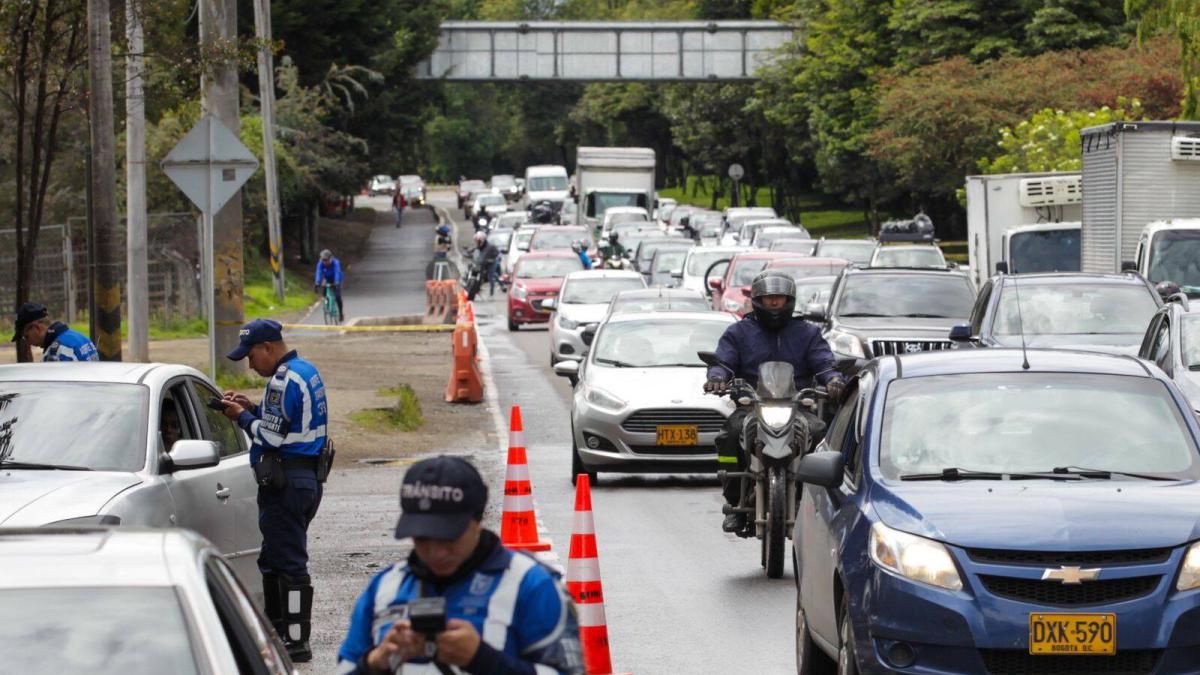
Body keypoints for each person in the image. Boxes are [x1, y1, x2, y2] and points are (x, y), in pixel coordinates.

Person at [336, 455, 583, 675]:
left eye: (448, 537)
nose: (436, 552)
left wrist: (482, 660)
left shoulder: (530, 584)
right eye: (422, 538)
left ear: (478, 519)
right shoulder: (385, 587)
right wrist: (375, 663)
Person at [218, 319, 329, 663]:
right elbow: (288, 421)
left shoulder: (282, 381)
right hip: (305, 478)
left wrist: (240, 418)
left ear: (268, 348)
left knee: (290, 563)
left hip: (287, 482)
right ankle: (279, 631)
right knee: (274, 559)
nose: (250, 366)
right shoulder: (304, 370)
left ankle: (296, 640)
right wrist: (253, 407)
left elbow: (271, 437)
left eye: (251, 357)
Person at [703, 270, 847, 533]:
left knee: (820, 433)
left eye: (779, 298)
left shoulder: (807, 333)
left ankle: (813, 501)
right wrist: (717, 377)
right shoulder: (739, 332)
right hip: (751, 405)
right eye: (769, 298)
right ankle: (734, 499)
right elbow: (723, 362)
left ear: (789, 300)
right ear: (758, 299)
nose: (774, 304)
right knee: (729, 435)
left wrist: (834, 381)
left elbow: (825, 364)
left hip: (797, 406)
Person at [11, 302, 98, 362]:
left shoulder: (57, 352)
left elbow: (56, 388)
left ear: (36, 327)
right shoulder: (81, 337)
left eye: (26, 337)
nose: (28, 343)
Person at [315, 249, 345, 319]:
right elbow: (319, 273)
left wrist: (336, 282)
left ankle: (340, 313)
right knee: (324, 291)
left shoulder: (336, 263)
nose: (325, 262)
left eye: (326, 260)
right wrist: (317, 283)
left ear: (330, 258)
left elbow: (337, 272)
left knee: (338, 297)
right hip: (327, 279)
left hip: (337, 279)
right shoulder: (320, 264)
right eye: (323, 260)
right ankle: (327, 302)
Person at [473, 232, 502, 298]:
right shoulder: (479, 246)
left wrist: (491, 258)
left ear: (483, 240)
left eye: (479, 241)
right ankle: (477, 289)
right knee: (485, 274)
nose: (478, 242)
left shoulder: (490, 246)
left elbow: (497, 253)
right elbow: (476, 251)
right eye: (477, 241)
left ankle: (491, 292)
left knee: (490, 276)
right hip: (484, 263)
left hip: (492, 263)